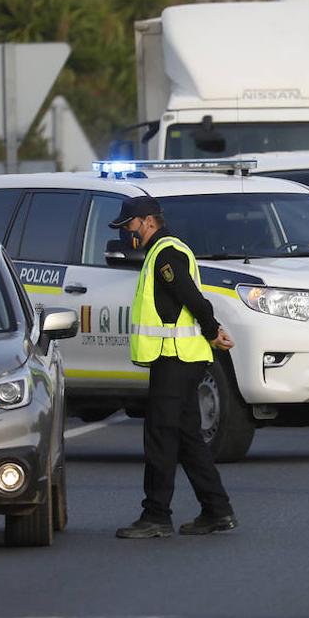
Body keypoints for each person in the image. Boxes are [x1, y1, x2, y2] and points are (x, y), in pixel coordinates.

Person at [110, 196, 238, 539]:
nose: (127, 233)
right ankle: (217, 510)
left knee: (160, 436)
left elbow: (192, 297)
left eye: (129, 226)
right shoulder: (161, 252)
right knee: (187, 437)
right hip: (180, 357)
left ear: (148, 221)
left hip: (176, 357)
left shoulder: (166, 252)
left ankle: (156, 516)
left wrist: (212, 330)